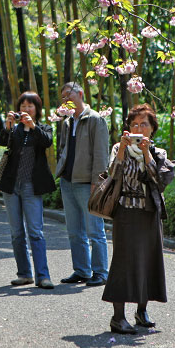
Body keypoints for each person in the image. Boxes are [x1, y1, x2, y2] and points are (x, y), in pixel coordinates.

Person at [102, 104, 175, 334]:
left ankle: (141, 311)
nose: (139, 128)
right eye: (134, 124)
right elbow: (112, 175)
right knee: (123, 263)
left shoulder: (158, 153)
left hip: (149, 212)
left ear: (152, 128)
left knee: (148, 262)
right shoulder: (118, 147)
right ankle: (117, 318)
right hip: (125, 210)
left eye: (144, 124)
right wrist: (123, 149)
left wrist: (145, 153)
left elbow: (160, 181)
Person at [0, 91, 56, 289]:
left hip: (32, 186)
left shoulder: (44, 128)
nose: (26, 109)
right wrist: (7, 126)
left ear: (37, 109)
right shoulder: (15, 129)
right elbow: (2, 142)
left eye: (30, 106)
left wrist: (32, 126)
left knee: (36, 232)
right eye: (23, 106)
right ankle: (24, 273)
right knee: (16, 232)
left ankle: (43, 276)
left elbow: (47, 142)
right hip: (11, 186)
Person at [54, 81, 110, 286]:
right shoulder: (67, 122)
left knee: (94, 230)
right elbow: (62, 148)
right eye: (63, 96)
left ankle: (101, 272)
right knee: (74, 230)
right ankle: (81, 270)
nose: (66, 98)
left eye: (69, 93)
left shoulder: (95, 119)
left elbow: (101, 154)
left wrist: (98, 182)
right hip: (68, 181)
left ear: (80, 93)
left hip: (88, 183)